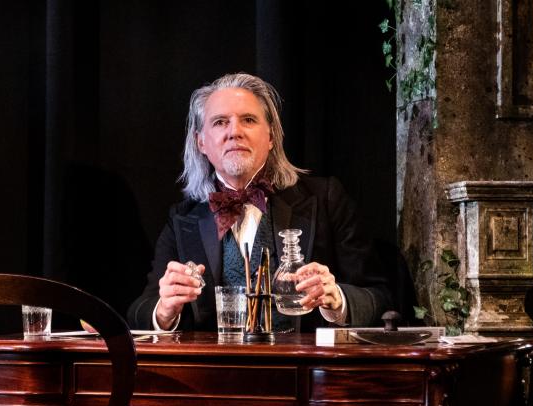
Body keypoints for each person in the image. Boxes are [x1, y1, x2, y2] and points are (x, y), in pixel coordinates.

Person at [128, 72, 392, 333]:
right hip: (216, 371)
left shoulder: (326, 199)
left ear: (271, 137)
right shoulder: (181, 220)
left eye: (249, 120)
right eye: (220, 122)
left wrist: (337, 301)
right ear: (201, 142)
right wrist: (164, 311)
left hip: (306, 370)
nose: (234, 132)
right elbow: (139, 312)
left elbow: (381, 298)